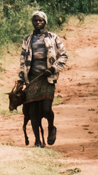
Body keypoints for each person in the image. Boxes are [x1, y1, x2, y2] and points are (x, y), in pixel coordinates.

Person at [16, 10, 68, 147]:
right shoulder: (27, 40)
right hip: (32, 79)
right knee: (32, 111)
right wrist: (21, 79)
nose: (38, 22)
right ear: (32, 22)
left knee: (46, 109)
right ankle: (38, 141)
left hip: (47, 79)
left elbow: (63, 56)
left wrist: (53, 68)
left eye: (41, 20)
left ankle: (51, 127)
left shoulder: (53, 38)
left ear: (45, 22)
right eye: (35, 20)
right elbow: (23, 60)